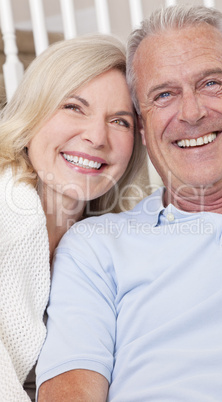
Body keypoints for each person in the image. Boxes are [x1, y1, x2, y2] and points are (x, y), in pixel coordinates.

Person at [36, 5, 222, 401]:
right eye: (164, 94)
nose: (192, 112)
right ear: (143, 126)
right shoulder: (95, 245)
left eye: (211, 83)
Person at [0, 33, 147, 401]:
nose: (97, 137)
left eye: (120, 121)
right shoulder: (8, 209)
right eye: (74, 107)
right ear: (33, 111)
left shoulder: (104, 239)